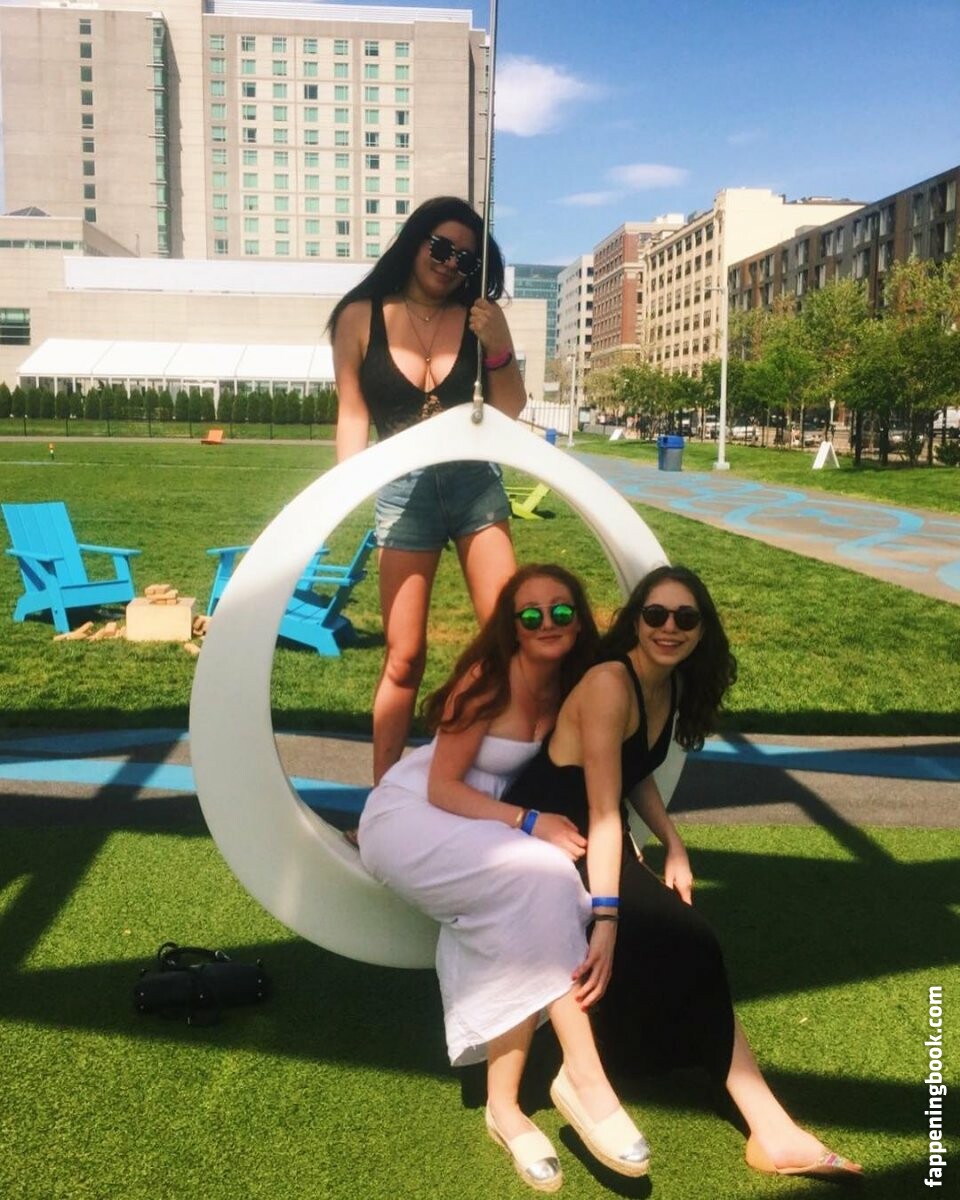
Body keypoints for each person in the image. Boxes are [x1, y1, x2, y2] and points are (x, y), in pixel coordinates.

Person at [504, 565, 863, 1182]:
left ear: (702, 630)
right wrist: (607, 918)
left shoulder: (665, 683)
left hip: (594, 836)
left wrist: (673, 843)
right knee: (685, 937)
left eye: (685, 617)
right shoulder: (610, 683)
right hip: (546, 842)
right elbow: (602, 810)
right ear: (636, 621)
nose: (669, 627)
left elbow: (634, 770)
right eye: (656, 615)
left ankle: (771, 1129)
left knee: (688, 939)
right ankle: (768, 1127)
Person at [358, 565, 653, 1191]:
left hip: (486, 829)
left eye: (561, 611)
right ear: (511, 628)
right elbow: (442, 786)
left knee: (531, 897)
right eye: (530, 614)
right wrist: (530, 821)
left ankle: (505, 1108)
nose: (547, 623)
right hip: (415, 816)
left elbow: (628, 764)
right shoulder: (487, 679)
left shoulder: (581, 683)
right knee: (542, 877)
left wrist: (666, 839)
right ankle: (584, 1075)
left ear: (579, 620)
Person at [328, 196, 527, 784]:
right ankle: (384, 796)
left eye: (465, 258)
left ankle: (502, 777)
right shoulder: (360, 316)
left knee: (509, 640)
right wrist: (345, 488)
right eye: (440, 247)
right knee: (405, 655)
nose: (449, 262)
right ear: (415, 242)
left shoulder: (479, 316)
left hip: (474, 484)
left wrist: (498, 344)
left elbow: (510, 409)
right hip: (403, 491)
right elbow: (352, 412)